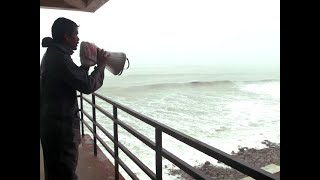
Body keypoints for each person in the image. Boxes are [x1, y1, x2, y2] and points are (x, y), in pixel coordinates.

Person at [40, 17, 109, 180]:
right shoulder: (59, 58)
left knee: (57, 171)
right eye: (76, 35)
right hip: (60, 128)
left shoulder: (54, 54)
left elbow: (70, 78)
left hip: (52, 125)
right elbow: (87, 86)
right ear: (66, 37)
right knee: (64, 173)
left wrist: (85, 67)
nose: (78, 39)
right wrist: (101, 65)